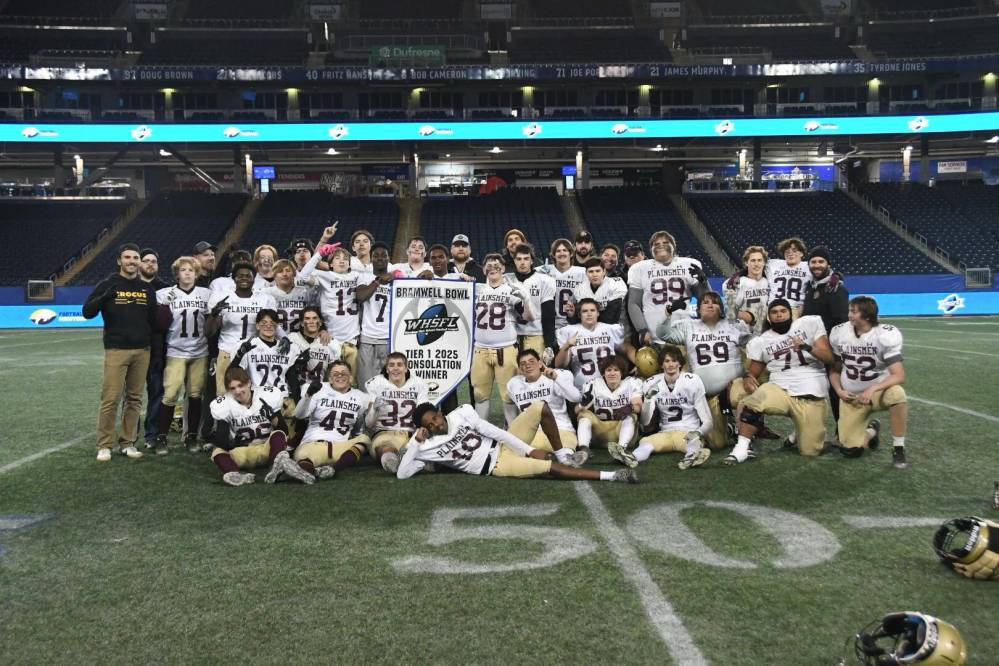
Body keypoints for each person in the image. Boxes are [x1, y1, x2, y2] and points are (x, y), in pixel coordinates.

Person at [397, 401, 638, 483]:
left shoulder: (462, 412)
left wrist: (529, 449)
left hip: (503, 445)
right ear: (423, 428)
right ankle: (612, 475)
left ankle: (564, 453)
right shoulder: (425, 445)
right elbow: (402, 474)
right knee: (549, 469)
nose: (435, 425)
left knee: (540, 408)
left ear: (439, 412)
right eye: (429, 425)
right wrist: (415, 444)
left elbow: (495, 431)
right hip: (495, 466)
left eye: (435, 418)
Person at [728, 299, 833, 464]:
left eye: (783, 311)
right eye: (774, 312)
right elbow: (753, 371)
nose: (779, 315)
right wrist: (749, 377)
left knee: (810, 451)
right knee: (753, 402)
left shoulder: (809, 324)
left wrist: (806, 347)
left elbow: (828, 358)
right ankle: (741, 448)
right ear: (769, 317)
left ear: (790, 313)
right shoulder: (762, 341)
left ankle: (799, 433)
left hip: (811, 393)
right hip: (780, 388)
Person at [83, 243, 158, 462]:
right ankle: (104, 445)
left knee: (134, 399)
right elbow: (87, 312)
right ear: (119, 261)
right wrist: (105, 296)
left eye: (136, 257)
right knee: (111, 399)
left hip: (142, 351)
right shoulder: (108, 284)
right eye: (128, 257)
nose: (132, 261)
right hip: (116, 350)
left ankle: (127, 443)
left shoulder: (147, 289)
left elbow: (152, 321)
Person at [659, 291, 752, 450]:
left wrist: (749, 373)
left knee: (743, 393)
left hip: (732, 385)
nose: (710, 305)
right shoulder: (689, 326)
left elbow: (755, 341)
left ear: (721, 308)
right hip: (708, 394)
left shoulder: (732, 325)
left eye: (715, 302)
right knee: (716, 444)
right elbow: (663, 333)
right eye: (705, 302)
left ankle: (744, 439)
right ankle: (728, 423)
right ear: (698, 309)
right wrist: (668, 313)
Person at [828, 296, 909, 468]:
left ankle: (898, 448)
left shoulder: (884, 334)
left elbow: (898, 375)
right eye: (850, 310)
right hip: (851, 397)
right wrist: (838, 390)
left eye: (853, 311)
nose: (849, 315)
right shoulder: (839, 332)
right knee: (851, 450)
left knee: (897, 394)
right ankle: (872, 430)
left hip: (877, 394)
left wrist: (874, 388)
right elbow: (834, 369)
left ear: (867, 316)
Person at [209, 366, 314, 487]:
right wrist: (230, 440)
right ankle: (236, 474)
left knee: (278, 434)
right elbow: (222, 443)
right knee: (217, 451)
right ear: (228, 390)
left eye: (240, 385)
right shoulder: (224, 404)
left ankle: (277, 467)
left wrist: (272, 417)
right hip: (244, 452)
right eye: (233, 388)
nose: (238, 391)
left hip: (268, 450)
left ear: (249, 383)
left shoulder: (265, 396)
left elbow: (283, 431)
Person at [154, 256, 211, 454]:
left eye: (191, 270)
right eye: (183, 270)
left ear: (197, 274)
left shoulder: (206, 294)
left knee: (195, 395)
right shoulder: (164, 294)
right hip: (175, 351)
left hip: (200, 351)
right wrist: (163, 307)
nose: (187, 273)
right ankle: (161, 438)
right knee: (170, 395)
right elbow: (160, 325)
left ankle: (191, 436)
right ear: (176, 273)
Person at [470, 253, 533, 423]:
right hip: (480, 349)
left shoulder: (512, 290)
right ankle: (481, 433)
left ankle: (512, 432)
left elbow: (528, 318)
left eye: (497, 265)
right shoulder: (476, 290)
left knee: (509, 395)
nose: (493, 268)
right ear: (483, 270)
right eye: (489, 265)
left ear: (503, 269)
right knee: (479, 394)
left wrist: (525, 300)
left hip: (506, 349)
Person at [204, 262, 278, 395]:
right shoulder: (223, 297)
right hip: (227, 351)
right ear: (234, 278)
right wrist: (214, 314)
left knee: (254, 393)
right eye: (240, 276)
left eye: (248, 276)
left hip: (254, 352)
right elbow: (209, 332)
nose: (244, 278)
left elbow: (271, 326)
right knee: (225, 394)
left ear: (254, 279)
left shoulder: (264, 299)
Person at [291, 359, 372, 481]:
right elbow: (299, 415)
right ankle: (305, 472)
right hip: (314, 443)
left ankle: (332, 469)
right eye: (335, 374)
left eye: (343, 373)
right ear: (329, 378)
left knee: (364, 439)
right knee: (304, 458)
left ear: (350, 377)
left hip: (340, 447)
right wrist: (308, 395)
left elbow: (362, 422)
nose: (340, 376)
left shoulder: (361, 397)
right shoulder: (318, 389)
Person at [636, 345, 714, 469]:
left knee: (693, 443)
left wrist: (698, 432)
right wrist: (648, 400)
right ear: (661, 365)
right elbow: (645, 422)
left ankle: (691, 457)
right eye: (667, 361)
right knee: (645, 442)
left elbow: (708, 421)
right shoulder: (652, 383)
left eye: (674, 361)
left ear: (680, 363)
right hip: (666, 432)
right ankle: (632, 459)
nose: (670, 364)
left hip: (688, 432)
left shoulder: (692, 381)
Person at [298, 224, 361, 376]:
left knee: (351, 381)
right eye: (337, 258)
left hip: (351, 338)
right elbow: (303, 276)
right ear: (330, 264)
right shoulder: (325, 275)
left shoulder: (357, 276)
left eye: (345, 258)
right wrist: (319, 254)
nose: (342, 260)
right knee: (328, 379)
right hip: (330, 338)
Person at [627, 230, 708, 345]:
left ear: (673, 246)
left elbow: (706, 300)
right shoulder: (639, 268)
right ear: (651, 249)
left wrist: (703, 283)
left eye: (665, 242)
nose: (661, 245)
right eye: (656, 244)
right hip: (654, 333)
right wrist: (642, 329)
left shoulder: (689, 264)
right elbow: (633, 303)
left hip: (684, 332)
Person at [506, 349, 585, 461]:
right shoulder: (513, 384)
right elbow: (510, 406)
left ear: (540, 364)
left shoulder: (552, 378)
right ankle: (548, 457)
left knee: (566, 459)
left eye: (531, 361)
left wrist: (556, 378)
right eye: (523, 364)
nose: (527, 365)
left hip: (561, 429)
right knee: (514, 455)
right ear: (520, 369)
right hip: (533, 432)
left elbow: (576, 397)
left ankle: (566, 457)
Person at [803, 245, 849, 433]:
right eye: (813, 261)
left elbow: (841, 321)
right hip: (814, 348)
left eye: (821, 261)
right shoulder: (810, 286)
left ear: (828, 264)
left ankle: (844, 428)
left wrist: (837, 351)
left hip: (832, 348)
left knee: (836, 389)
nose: (817, 265)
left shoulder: (836, 288)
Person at [364, 352, 428, 473]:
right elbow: (368, 424)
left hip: (411, 433)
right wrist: (374, 409)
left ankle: (407, 457)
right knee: (386, 449)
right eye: (392, 365)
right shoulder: (376, 384)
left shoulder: (418, 384)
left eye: (399, 364)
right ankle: (397, 461)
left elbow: (423, 415)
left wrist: (420, 436)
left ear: (406, 368)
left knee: (428, 449)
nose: (396, 368)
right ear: (387, 369)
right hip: (385, 433)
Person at [575, 355, 643, 467]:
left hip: (620, 430)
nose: (612, 373)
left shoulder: (631, 383)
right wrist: (582, 404)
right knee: (584, 414)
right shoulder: (593, 385)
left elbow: (638, 406)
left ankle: (621, 450)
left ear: (622, 372)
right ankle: (584, 449)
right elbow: (576, 411)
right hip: (600, 433)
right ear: (603, 373)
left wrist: (630, 407)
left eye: (616, 370)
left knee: (631, 415)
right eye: (609, 370)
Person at [231, 310, 308, 403]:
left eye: (272, 323)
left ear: (277, 326)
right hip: (257, 398)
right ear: (257, 326)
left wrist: (297, 403)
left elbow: (292, 380)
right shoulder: (248, 346)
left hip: (281, 398)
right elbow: (232, 374)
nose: (268, 326)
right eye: (264, 323)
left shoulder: (288, 348)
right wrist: (240, 354)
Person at [554, 298, 632, 389]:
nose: (589, 314)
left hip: (609, 385)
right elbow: (559, 365)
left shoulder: (610, 329)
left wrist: (638, 364)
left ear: (598, 313)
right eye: (585, 311)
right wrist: (566, 346)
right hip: (583, 387)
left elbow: (628, 349)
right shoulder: (569, 331)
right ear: (579, 315)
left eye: (592, 310)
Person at [139, 248, 169, 452]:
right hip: (134, 348)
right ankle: (128, 437)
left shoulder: (165, 289)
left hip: (158, 350)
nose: (150, 264)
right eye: (146, 260)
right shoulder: (130, 287)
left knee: (157, 393)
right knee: (132, 395)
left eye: (154, 261)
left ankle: (152, 434)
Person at [505, 243, 556, 360]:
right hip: (510, 336)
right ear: (514, 261)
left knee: (534, 374)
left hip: (535, 334)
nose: (522, 262)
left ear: (532, 261)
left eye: (526, 259)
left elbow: (548, 314)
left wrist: (549, 344)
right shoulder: (505, 279)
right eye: (519, 259)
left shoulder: (544, 280)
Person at [354, 241, 395, 386]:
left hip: (388, 338)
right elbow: (360, 296)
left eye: (383, 256)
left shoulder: (397, 280)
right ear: (371, 259)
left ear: (388, 259)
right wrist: (377, 281)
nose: (379, 258)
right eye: (376, 256)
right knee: (366, 384)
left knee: (387, 384)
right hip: (367, 338)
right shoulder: (364, 277)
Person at [537, 238, 586, 329]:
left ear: (571, 254)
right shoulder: (543, 271)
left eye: (565, 250)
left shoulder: (582, 273)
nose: (562, 253)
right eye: (558, 251)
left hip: (573, 323)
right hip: (549, 324)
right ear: (554, 255)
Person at [261, 258, 317, 335]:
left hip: (301, 339)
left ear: (294, 274)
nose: (284, 274)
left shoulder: (304, 292)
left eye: (288, 270)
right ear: (274, 275)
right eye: (280, 271)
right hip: (275, 339)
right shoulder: (266, 293)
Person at [571, 257, 627, 325]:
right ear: (586, 273)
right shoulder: (580, 288)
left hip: (614, 328)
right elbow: (577, 317)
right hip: (589, 329)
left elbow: (611, 317)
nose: (594, 275)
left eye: (598, 271)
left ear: (604, 272)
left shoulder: (615, 284)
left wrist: (587, 318)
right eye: (591, 271)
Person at [766, 237, 810, 316]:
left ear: (801, 253)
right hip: (773, 308)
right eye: (787, 251)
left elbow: (826, 273)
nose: (790, 253)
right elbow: (754, 266)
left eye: (794, 251)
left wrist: (836, 275)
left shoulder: (807, 266)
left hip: (795, 309)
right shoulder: (773, 264)